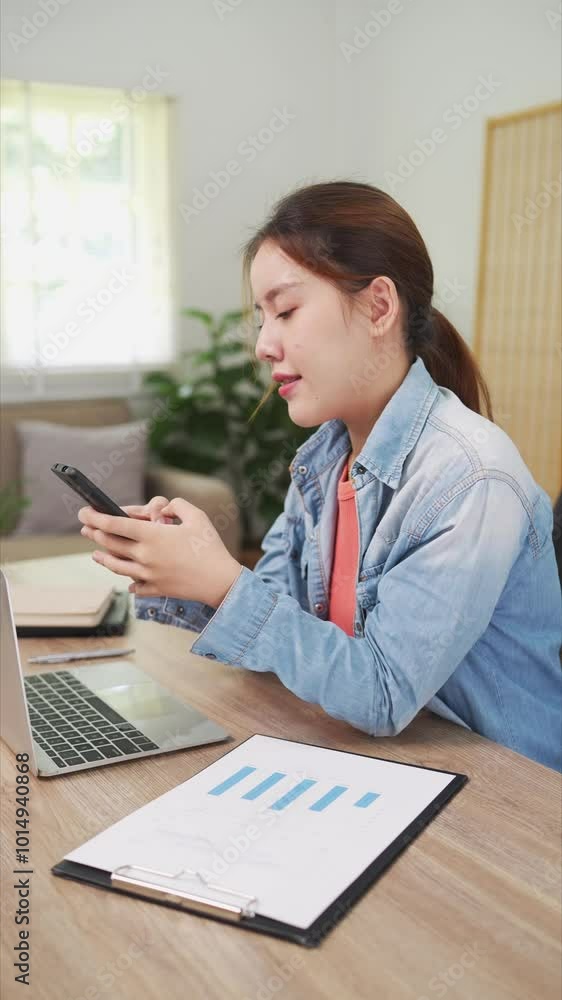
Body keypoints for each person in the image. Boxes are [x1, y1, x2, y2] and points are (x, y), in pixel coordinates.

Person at [78, 180, 562, 772]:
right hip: (391, 762)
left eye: (285, 310)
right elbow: (288, 641)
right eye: (262, 318)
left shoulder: (470, 475)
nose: (262, 344)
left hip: (511, 797)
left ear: (380, 306)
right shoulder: (324, 461)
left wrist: (226, 583)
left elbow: (383, 693)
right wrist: (188, 572)